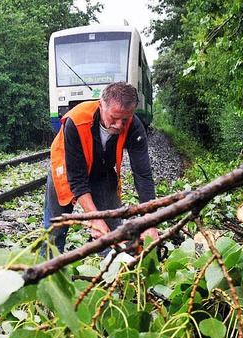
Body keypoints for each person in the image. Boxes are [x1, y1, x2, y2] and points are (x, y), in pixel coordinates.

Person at [43, 82, 158, 253]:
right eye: (114, 118)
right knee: (56, 228)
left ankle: (116, 271)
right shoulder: (76, 121)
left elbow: (143, 175)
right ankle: (46, 271)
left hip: (101, 171)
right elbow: (77, 179)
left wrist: (150, 221)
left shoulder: (134, 126)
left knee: (113, 232)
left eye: (124, 119)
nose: (119, 125)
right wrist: (94, 219)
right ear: (101, 105)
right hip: (66, 170)